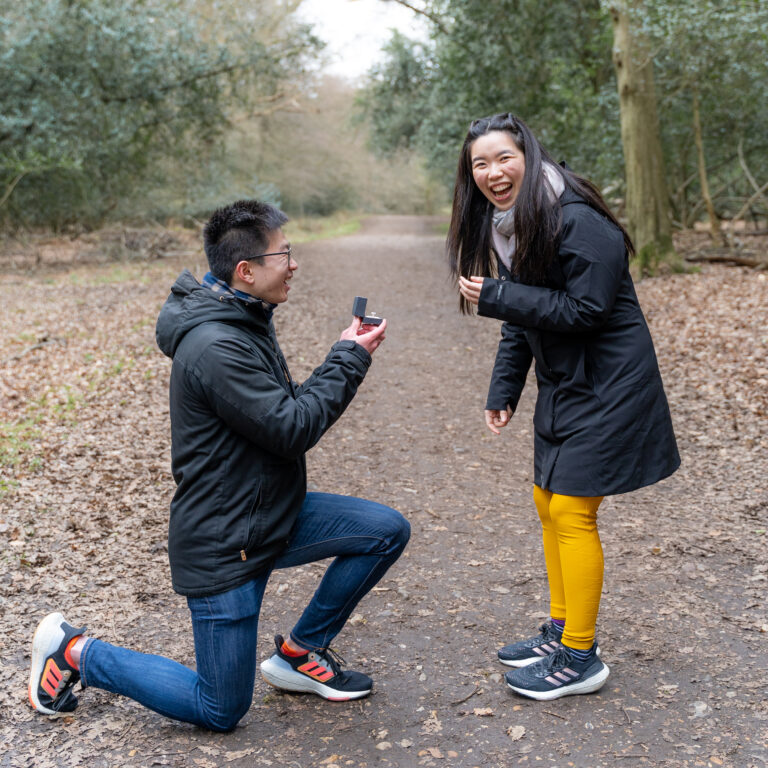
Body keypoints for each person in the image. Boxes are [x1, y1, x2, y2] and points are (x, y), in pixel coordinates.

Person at [28, 200, 410, 731]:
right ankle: (76, 653)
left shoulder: (244, 316)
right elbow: (292, 429)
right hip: (223, 542)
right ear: (246, 271)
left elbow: (279, 412)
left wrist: (345, 352)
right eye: (285, 253)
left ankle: (301, 653)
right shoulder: (215, 344)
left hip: (267, 517)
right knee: (220, 708)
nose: (294, 264)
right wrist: (349, 356)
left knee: (384, 531)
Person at [447, 113, 680, 701]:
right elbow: (523, 317)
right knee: (546, 500)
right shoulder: (514, 226)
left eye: (503, 157)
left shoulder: (575, 218)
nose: (493, 172)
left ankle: (581, 654)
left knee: (573, 511)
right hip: (567, 385)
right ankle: (560, 629)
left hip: (611, 385)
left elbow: (587, 310)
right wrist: (504, 390)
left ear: (527, 153)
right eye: (480, 163)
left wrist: (497, 295)